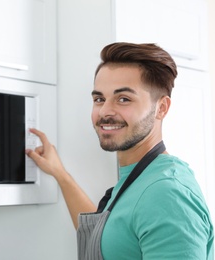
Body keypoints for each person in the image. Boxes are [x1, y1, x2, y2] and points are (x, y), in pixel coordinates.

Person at [26, 42, 214, 259]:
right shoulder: (140, 177)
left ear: (161, 108)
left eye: (123, 99)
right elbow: (108, 237)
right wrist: (61, 175)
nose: (105, 111)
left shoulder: (168, 195)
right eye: (99, 99)